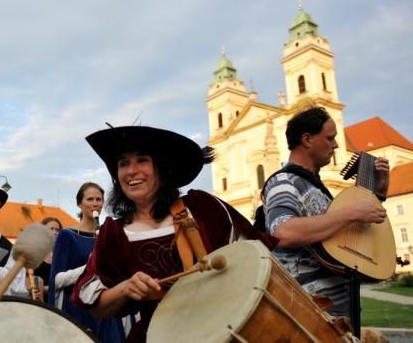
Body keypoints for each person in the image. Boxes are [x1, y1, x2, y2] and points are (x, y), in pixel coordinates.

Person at [71, 126, 277, 343]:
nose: (131, 171)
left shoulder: (204, 209)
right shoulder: (113, 234)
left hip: (228, 330)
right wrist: (125, 287)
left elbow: (255, 261)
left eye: (142, 160)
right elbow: (96, 309)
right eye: (123, 163)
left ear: (161, 167)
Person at [261, 107, 389, 333]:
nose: (336, 145)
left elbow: (345, 242)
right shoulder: (283, 182)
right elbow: (283, 232)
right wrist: (352, 213)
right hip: (310, 317)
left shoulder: (316, 189)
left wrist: (378, 193)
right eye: (330, 138)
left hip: (337, 319)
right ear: (307, 139)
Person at [48, 183, 126, 342]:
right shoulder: (67, 235)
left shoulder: (107, 235)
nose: (95, 203)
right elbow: (56, 280)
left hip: (106, 309)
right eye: (90, 199)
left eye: (99, 199)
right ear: (79, 203)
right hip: (78, 310)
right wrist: (90, 267)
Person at [33, 217, 62, 299]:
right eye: (51, 229)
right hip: (38, 300)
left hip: (57, 300)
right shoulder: (35, 253)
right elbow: (29, 277)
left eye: (58, 230)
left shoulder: (62, 255)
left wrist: (51, 289)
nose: (55, 232)